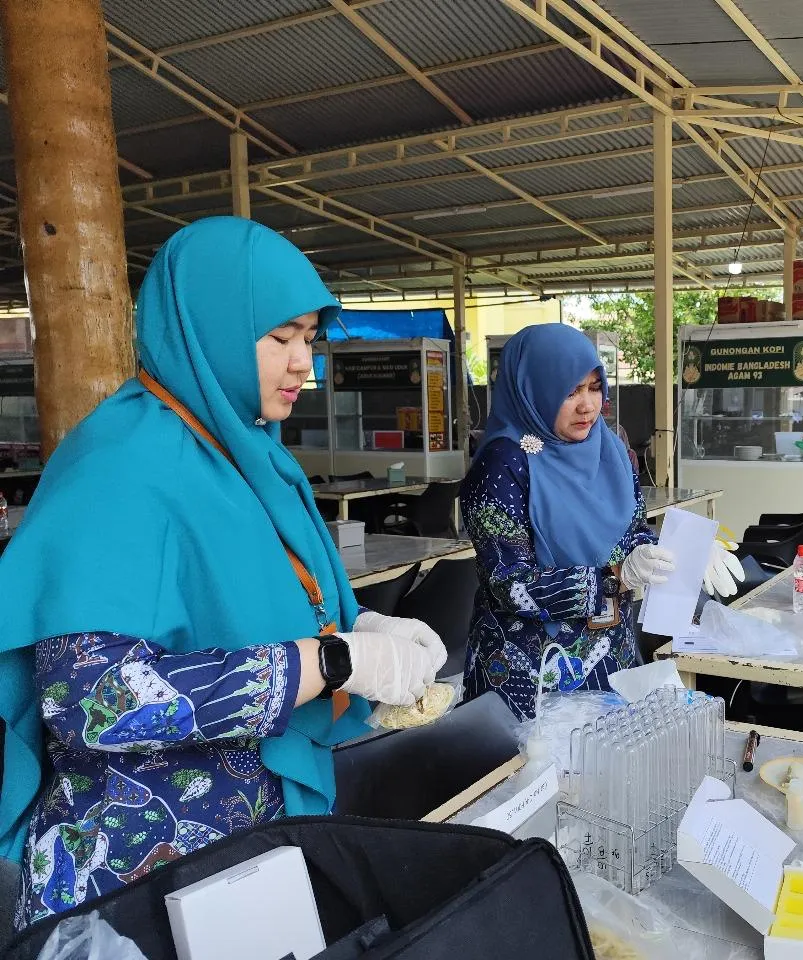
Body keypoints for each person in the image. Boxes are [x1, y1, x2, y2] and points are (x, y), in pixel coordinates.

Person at [0, 218, 446, 928]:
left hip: (249, 857)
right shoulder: (119, 467)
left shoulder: (250, 458)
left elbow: (257, 607)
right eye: (281, 337)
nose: (305, 362)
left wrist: (359, 627)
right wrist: (331, 659)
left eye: (309, 337)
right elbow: (95, 699)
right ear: (205, 324)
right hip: (136, 877)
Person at [461, 324, 742, 719]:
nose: (587, 405)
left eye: (594, 387)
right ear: (531, 388)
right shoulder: (503, 465)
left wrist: (673, 550)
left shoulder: (609, 448)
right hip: (531, 679)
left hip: (614, 661)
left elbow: (632, 532)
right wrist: (615, 577)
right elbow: (510, 585)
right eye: (570, 391)